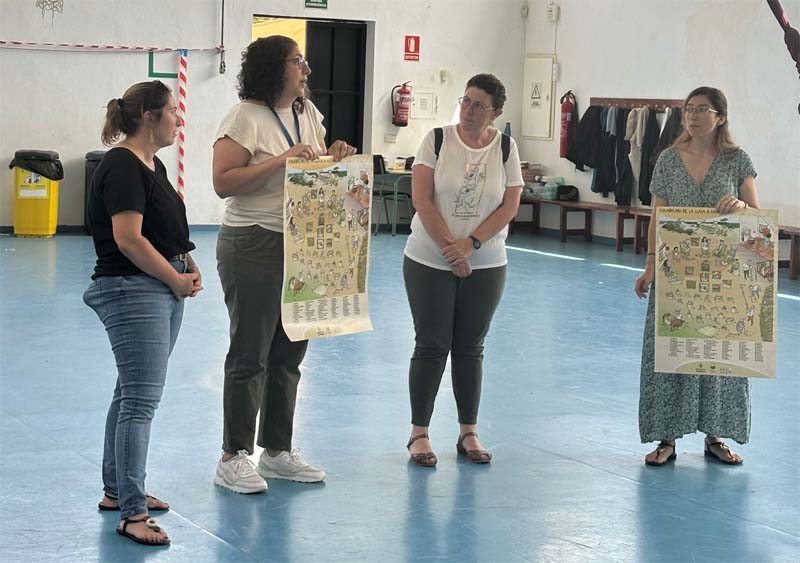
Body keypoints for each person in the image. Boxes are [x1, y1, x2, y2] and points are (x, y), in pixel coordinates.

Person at [211, 36, 355, 492]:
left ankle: (276, 451)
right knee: (250, 352)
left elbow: (310, 167)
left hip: (303, 242)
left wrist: (335, 156)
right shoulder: (245, 117)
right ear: (275, 68)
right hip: (253, 241)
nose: (306, 69)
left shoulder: (306, 113)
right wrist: (281, 160)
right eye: (298, 62)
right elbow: (223, 182)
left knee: (290, 353)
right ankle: (233, 455)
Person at [84, 80, 202, 545]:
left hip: (160, 286)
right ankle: (132, 514)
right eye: (172, 111)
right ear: (150, 117)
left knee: (129, 392)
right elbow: (128, 239)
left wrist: (187, 264)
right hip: (133, 288)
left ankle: (118, 490)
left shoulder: (152, 164)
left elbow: (163, 227)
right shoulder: (121, 165)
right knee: (140, 401)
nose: (178, 119)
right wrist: (173, 278)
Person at [634, 86, 760, 467]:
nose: (693, 115)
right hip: (675, 274)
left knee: (718, 357)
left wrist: (740, 207)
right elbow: (657, 217)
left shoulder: (737, 160)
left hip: (724, 278)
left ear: (720, 117)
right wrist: (650, 265)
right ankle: (666, 438)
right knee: (670, 351)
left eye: (702, 109)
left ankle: (715, 436)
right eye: (689, 109)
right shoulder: (668, 160)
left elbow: (757, 216)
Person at [403, 74, 523, 466]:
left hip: (486, 261)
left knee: (471, 346)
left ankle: (468, 431)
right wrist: (450, 250)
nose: (469, 111)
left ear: (496, 112)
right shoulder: (436, 140)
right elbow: (422, 198)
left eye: (479, 106)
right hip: (428, 259)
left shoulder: (505, 148)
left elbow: (509, 205)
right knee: (432, 343)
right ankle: (419, 433)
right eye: (466, 101)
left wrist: (471, 244)